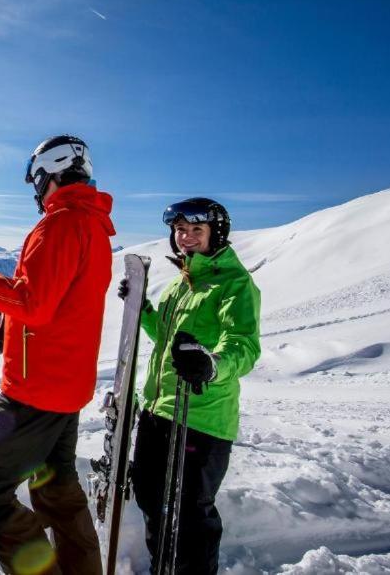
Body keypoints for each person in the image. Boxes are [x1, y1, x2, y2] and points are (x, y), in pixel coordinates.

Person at [0, 135, 114, 575]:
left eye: (37, 179)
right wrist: (8, 325)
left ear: (49, 174)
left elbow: (33, 302)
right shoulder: (91, 224)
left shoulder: (60, 224)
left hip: (34, 391)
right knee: (56, 488)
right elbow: (62, 304)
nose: (36, 190)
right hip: (66, 385)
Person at [122, 198, 260, 574]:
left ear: (216, 233)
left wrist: (211, 365)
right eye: (180, 230)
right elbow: (167, 339)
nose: (185, 237)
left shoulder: (233, 284)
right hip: (159, 409)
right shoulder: (182, 283)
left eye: (196, 230)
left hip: (201, 416)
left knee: (190, 515)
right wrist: (143, 311)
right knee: (151, 499)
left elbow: (243, 346)